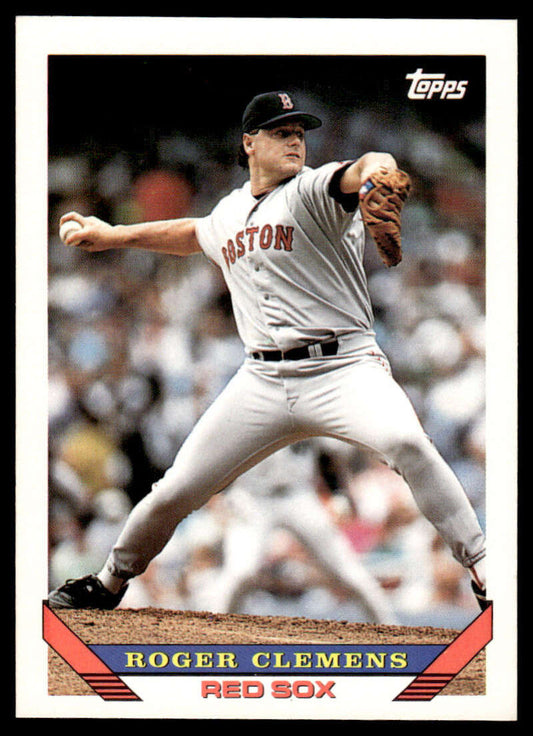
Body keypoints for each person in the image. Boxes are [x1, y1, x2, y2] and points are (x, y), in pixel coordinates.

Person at [48, 90, 487, 612]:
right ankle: (108, 583)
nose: (295, 141)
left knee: (408, 443)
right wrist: (116, 234)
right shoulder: (229, 211)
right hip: (261, 382)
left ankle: (484, 569)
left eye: (300, 133)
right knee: (176, 488)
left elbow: (364, 167)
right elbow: (192, 232)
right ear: (249, 142)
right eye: (282, 132)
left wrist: (380, 171)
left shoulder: (313, 190)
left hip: (344, 367)